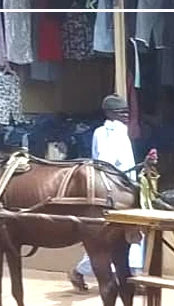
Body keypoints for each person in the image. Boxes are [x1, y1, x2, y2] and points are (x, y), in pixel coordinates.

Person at [69, 94, 144, 292]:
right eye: (121, 112)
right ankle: (82, 271)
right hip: (113, 192)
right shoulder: (111, 132)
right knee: (108, 238)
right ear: (110, 113)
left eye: (127, 112)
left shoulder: (113, 131)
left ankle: (134, 276)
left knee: (124, 236)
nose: (126, 115)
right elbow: (102, 159)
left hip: (123, 188)